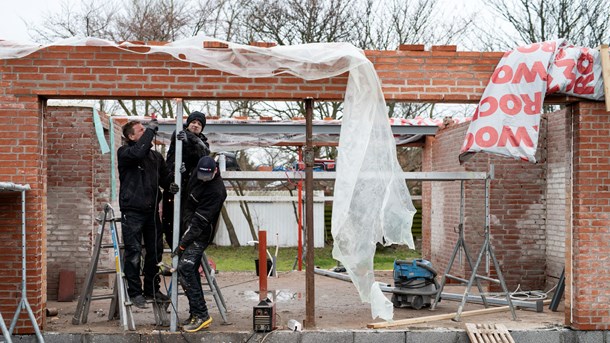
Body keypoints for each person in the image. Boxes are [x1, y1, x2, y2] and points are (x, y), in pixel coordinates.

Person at [118, 119, 179, 308]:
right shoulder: (126, 153)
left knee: (155, 252)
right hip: (133, 211)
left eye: (146, 130)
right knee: (134, 252)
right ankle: (135, 292)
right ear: (130, 136)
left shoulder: (155, 157)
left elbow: (165, 179)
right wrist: (151, 131)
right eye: (141, 130)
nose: (146, 133)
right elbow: (138, 152)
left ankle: (151, 289)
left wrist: (173, 182)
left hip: (151, 212)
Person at [172, 156, 227, 332]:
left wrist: (183, 243)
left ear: (215, 171)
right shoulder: (198, 172)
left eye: (207, 177)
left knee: (186, 267)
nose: (203, 179)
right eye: (201, 175)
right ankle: (195, 312)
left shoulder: (217, 191)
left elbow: (200, 222)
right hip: (188, 224)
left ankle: (202, 314)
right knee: (185, 271)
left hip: (201, 232)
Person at [162, 111, 210, 248]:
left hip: (191, 191)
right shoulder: (178, 135)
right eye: (193, 122)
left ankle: (185, 258)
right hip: (174, 187)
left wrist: (192, 140)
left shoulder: (202, 143)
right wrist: (171, 181)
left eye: (199, 124)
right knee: (169, 224)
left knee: (186, 223)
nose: (195, 125)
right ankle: (175, 256)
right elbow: (170, 161)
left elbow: (204, 155)